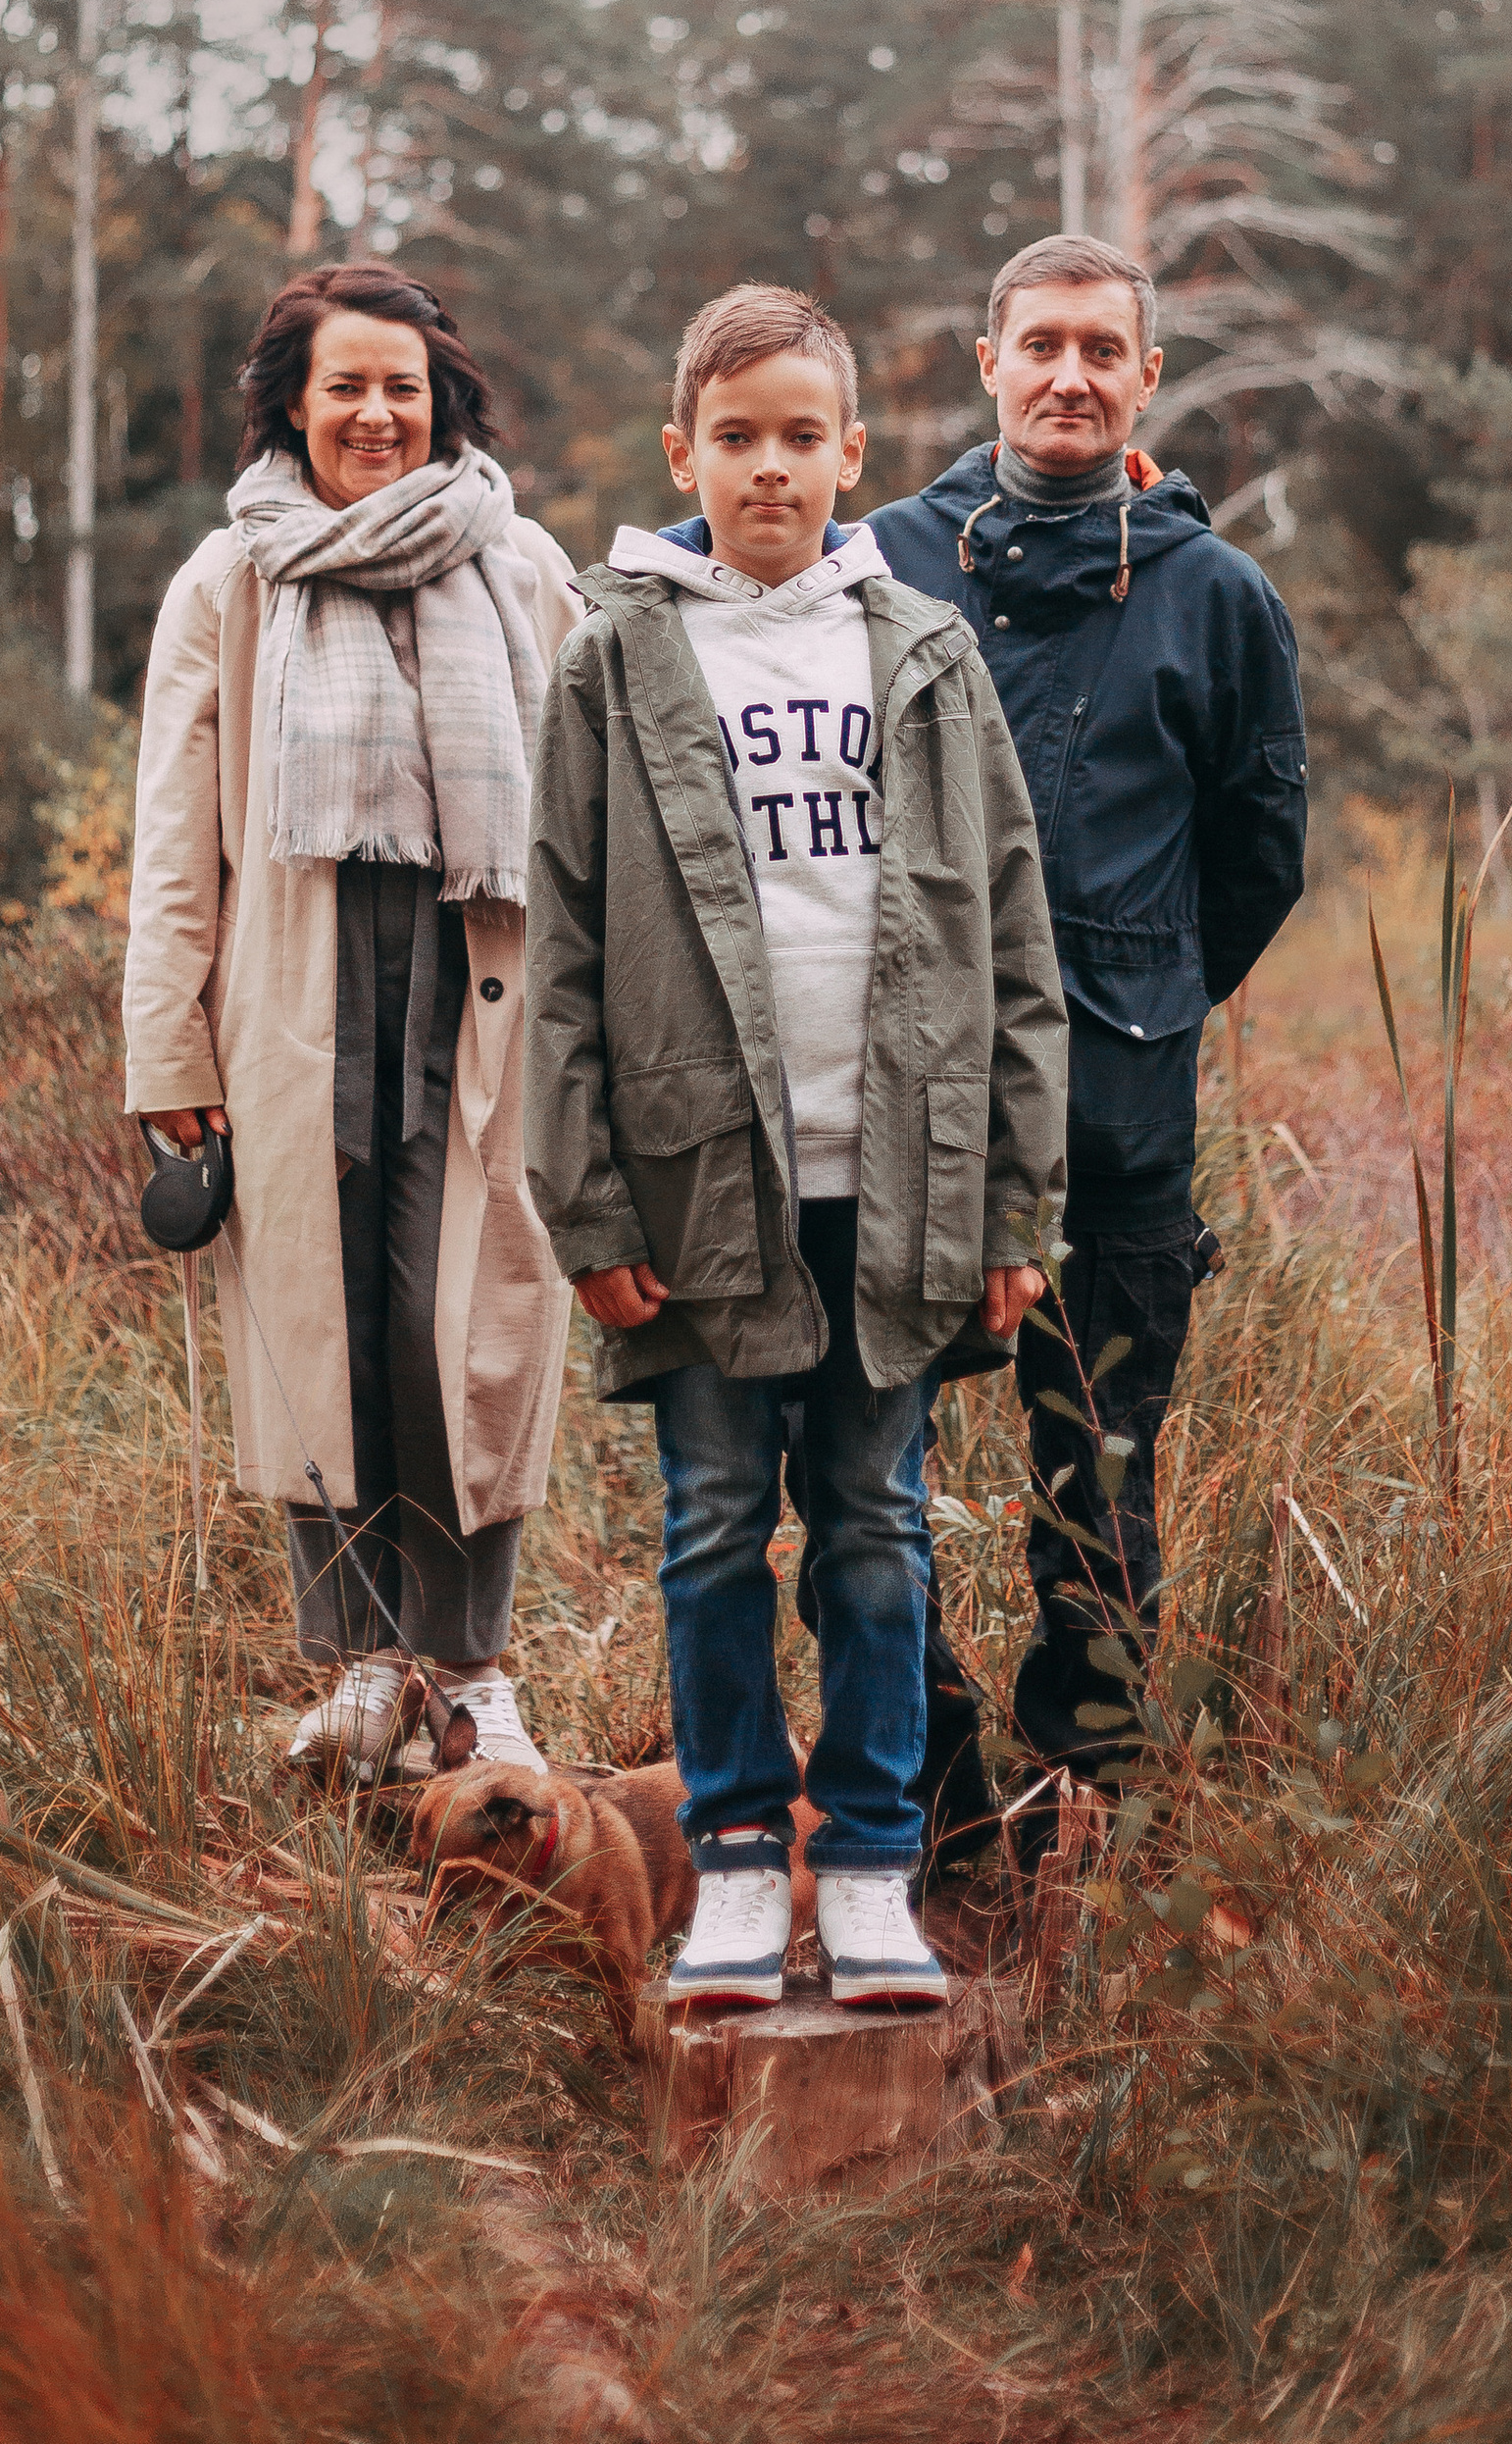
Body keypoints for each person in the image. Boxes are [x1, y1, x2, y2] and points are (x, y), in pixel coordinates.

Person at [524, 284, 1067, 2008]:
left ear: (854, 456)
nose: (771, 469)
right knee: (706, 1526)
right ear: (683, 451)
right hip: (699, 1194)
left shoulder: (921, 655)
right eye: (735, 437)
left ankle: (877, 1858)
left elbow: (1012, 939)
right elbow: (556, 953)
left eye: (804, 438)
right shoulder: (618, 656)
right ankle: (742, 1861)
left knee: (874, 1530)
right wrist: (586, 1194)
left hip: (893, 1186)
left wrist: (1010, 1198)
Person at [867, 234, 1308, 1851]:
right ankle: (928, 1795)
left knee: (1100, 1485)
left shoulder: (1217, 596)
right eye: (1038, 342)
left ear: (1145, 380)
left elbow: (1262, 856)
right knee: (865, 1481)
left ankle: (1089, 1815)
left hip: (1122, 1126)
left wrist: (1141, 993)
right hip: (897, 1111)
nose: (1068, 373)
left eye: (1100, 350)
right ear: (985, 359)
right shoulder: (879, 564)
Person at [123, 262, 583, 1780]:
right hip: (298, 1004)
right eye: (346, 387)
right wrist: (166, 1052)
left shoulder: (524, 571)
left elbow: (588, 825)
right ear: (293, 406)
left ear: (443, 397)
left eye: (404, 386)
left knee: (469, 1337)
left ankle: (472, 1671)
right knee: (331, 1340)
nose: (376, 414)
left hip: (484, 999)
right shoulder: (230, 580)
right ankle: (361, 1669)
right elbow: (176, 836)